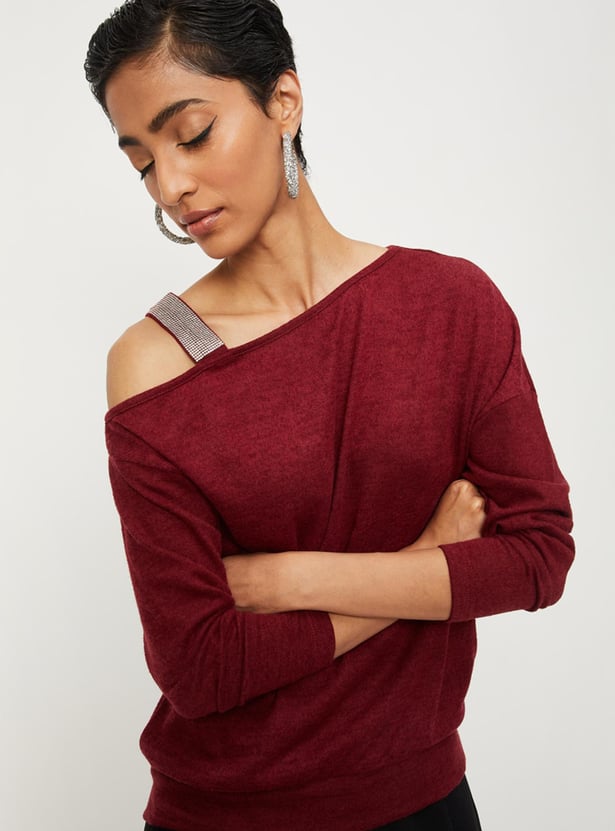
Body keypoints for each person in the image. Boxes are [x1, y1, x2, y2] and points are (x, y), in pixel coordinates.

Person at [84, 1, 574, 829]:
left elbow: (536, 557)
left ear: (283, 100)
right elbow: (200, 667)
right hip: (225, 815)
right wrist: (422, 560)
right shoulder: (154, 362)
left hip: (426, 802)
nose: (170, 187)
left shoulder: (449, 306)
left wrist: (288, 579)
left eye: (191, 135)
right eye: (142, 163)